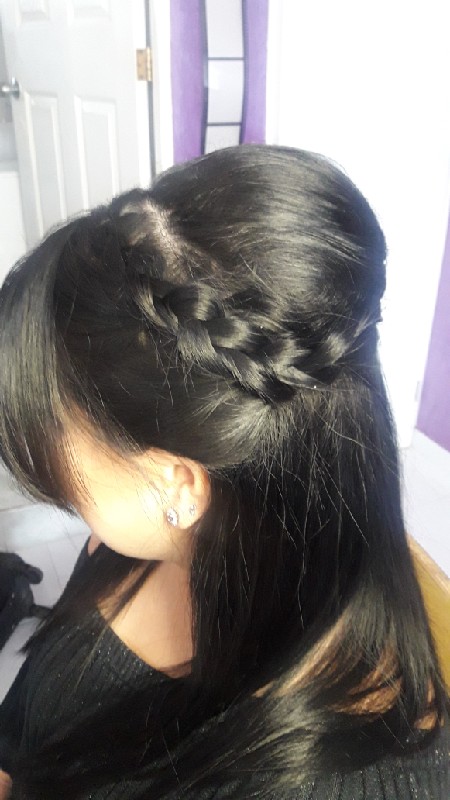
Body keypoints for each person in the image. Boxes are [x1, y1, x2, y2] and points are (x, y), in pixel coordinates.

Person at [0, 145, 448, 799]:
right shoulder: (132, 548)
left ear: (176, 484)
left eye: (56, 439)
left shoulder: (361, 782)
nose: (67, 497)